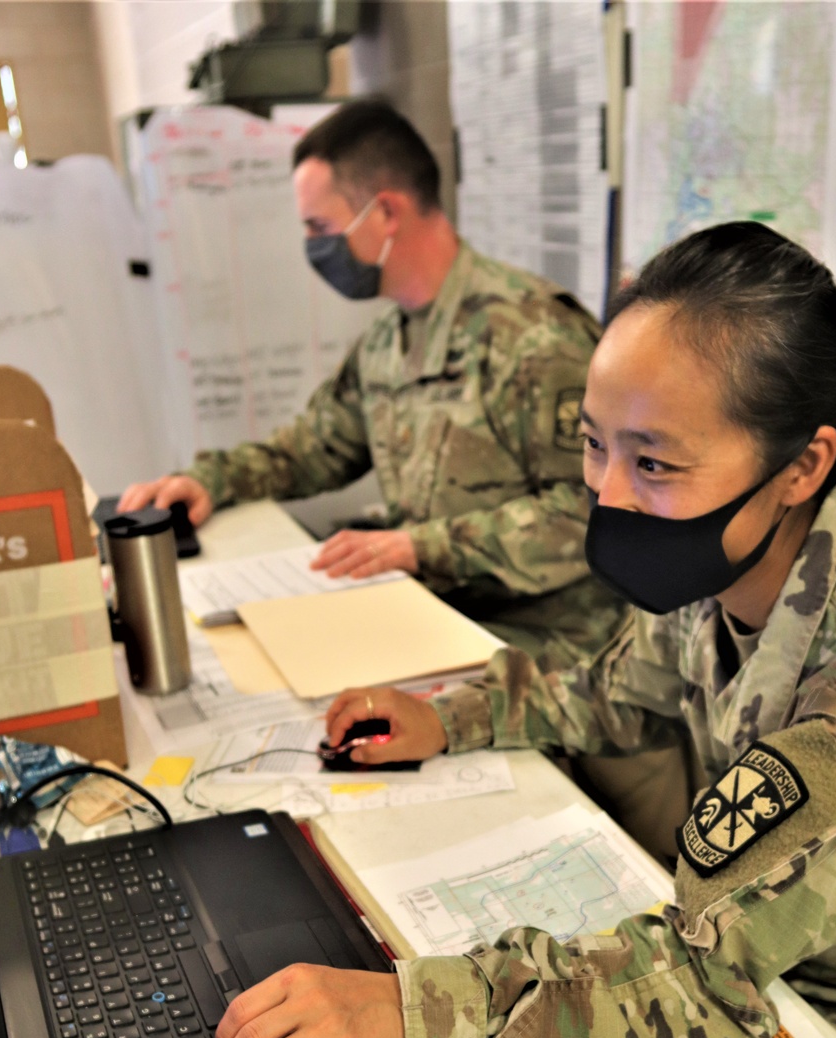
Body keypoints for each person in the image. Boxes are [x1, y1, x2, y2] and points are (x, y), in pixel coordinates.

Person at [207, 222, 836, 1038]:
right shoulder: (720, 564)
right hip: (777, 969)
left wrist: (406, 1009)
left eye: (655, 463)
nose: (610, 494)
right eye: (596, 447)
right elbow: (611, 690)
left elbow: (703, 982)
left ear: (801, 467)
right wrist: (455, 720)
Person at [117, 99, 627, 676]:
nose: (313, 247)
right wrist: (207, 480)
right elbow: (314, 448)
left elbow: (596, 513)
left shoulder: (533, 338)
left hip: (555, 659)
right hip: (444, 626)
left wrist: (422, 548)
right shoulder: (389, 340)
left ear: (385, 212)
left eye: (320, 228)